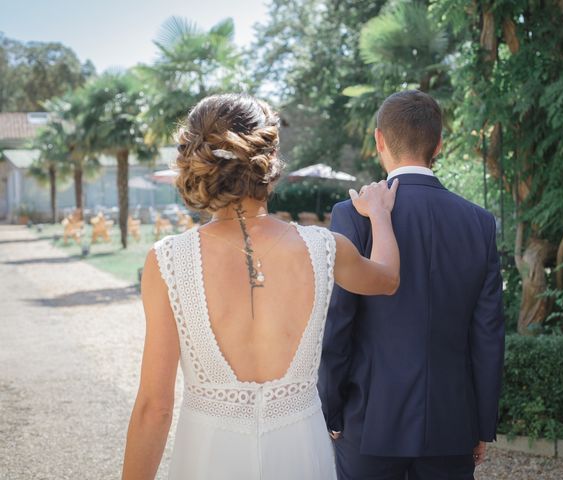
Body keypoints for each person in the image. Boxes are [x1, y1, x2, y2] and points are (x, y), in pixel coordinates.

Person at [121, 93, 400, 480]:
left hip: (208, 457)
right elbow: (387, 278)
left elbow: (156, 407)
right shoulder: (325, 247)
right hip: (301, 452)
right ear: (269, 161)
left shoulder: (167, 261)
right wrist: (380, 216)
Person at [319, 90, 505, 480]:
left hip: (367, 419)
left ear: (379, 140)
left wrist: (330, 408)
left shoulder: (351, 215)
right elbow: (488, 336)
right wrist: (482, 423)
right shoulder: (480, 223)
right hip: (451, 421)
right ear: (438, 144)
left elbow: (338, 321)